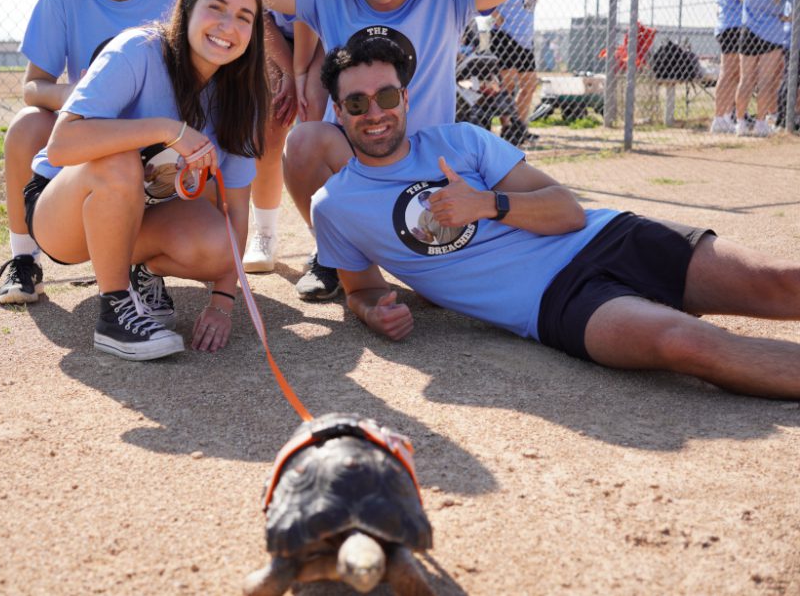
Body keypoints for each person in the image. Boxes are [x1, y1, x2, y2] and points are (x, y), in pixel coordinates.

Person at [309, 36, 800, 399]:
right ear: (338, 110)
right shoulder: (336, 205)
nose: (374, 112)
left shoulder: (461, 141)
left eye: (387, 96)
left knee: (783, 282)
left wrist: (486, 204)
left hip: (606, 236)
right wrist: (374, 312)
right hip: (553, 303)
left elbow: (567, 211)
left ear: (406, 98)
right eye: (356, 102)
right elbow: (362, 289)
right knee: (689, 345)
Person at [235, 0, 540, 301]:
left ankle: (410, 253)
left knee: (450, 288)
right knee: (304, 140)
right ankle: (334, 253)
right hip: (357, 166)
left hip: (429, 173)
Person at [26, 0, 269, 361]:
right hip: (62, 212)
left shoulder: (243, 98)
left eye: (245, 17)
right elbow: (61, 146)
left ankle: (142, 271)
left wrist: (222, 303)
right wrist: (164, 128)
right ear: (187, 7)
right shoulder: (137, 50)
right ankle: (115, 315)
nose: (229, 25)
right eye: (217, 7)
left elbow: (236, 208)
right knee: (121, 159)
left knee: (219, 245)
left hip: (142, 210)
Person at [0, 0, 181, 306]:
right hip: (93, 137)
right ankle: (24, 261)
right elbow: (32, 87)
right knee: (27, 125)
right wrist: (84, 96)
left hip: (157, 140)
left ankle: (147, 266)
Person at [201, 0, 347, 274]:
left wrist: (299, 73)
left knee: (313, 112)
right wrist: (283, 67)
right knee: (268, 119)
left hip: (323, 20)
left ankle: (332, 243)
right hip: (260, 28)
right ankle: (264, 234)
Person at [733, 0, 794, 137]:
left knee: (746, 79)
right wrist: (785, 17)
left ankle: (740, 123)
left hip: (749, 32)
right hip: (773, 35)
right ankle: (761, 123)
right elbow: (796, 8)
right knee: (767, 81)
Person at [489, 0, 538, 145]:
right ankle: (508, 128)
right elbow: (484, 2)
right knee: (507, 86)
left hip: (525, 39)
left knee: (530, 85)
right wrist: (499, 18)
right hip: (505, 36)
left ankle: (520, 127)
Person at [710, 0, 750, 134]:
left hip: (739, 27)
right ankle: (718, 117)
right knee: (728, 73)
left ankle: (726, 115)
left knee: (736, 74)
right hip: (731, 28)